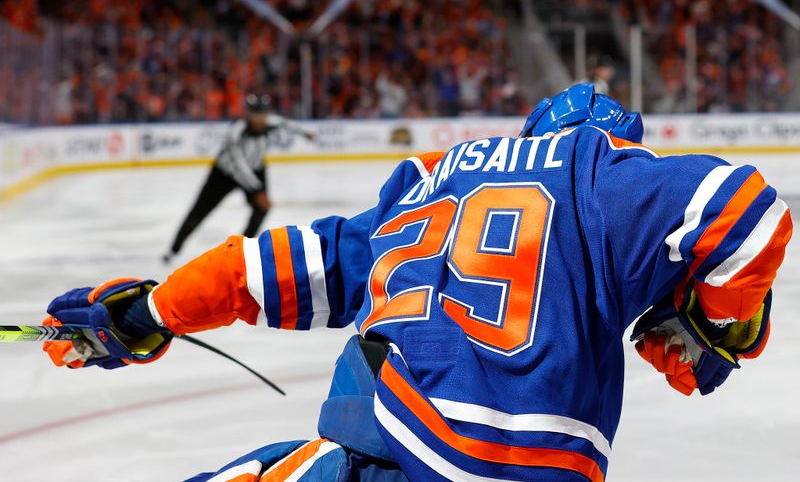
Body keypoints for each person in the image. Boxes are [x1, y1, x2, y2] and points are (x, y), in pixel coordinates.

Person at [42, 83, 791, 481]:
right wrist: (707, 318)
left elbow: (266, 269)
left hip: (388, 455)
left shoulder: (434, 178)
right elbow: (751, 217)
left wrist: (148, 311)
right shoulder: (604, 174)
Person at [163, 94, 315, 263]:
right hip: (224, 174)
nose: (260, 118)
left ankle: (241, 251)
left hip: (256, 168)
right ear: (247, 113)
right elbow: (239, 165)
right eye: (256, 114)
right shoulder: (236, 131)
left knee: (262, 208)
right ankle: (173, 249)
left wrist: (306, 133)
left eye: (263, 114)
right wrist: (257, 189)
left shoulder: (270, 121)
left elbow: (286, 124)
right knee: (199, 211)